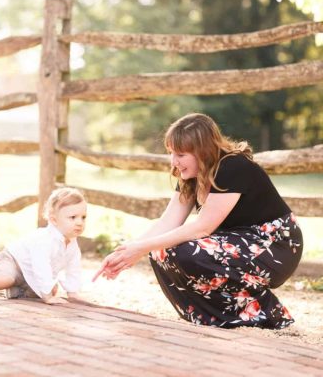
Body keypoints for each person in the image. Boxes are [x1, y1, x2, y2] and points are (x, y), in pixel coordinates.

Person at [93, 113, 303, 329]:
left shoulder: (232, 166)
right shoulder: (190, 175)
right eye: (171, 153)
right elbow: (168, 222)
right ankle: (210, 318)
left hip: (275, 244)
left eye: (181, 154)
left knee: (183, 252)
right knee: (161, 251)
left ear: (203, 151)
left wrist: (139, 248)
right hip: (236, 242)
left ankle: (266, 311)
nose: (174, 162)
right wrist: (127, 251)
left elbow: (203, 228)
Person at [0, 187, 87, 304]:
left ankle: (17, 290)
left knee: (51, 288)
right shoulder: (44, 240)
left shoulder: (72, 244)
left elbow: (73, 268)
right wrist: (47, 296)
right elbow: (41, 267)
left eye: (83, 217)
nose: (79, 222)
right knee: (7, 279)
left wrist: (72, 292)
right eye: (73, 217)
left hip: (29, 271)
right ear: (54, 220)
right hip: (12, 260)